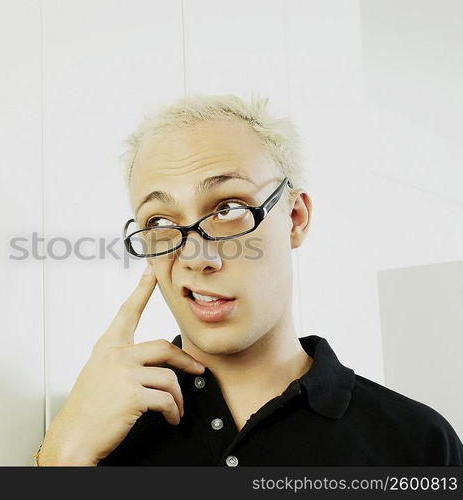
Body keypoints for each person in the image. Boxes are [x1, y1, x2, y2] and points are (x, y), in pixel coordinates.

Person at [35, 94, 463, 466]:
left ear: (294, 217)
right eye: (161, 220)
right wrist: (62, 459)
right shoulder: (98, 430)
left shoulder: (417, 443)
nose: (195, 256)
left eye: (227, 208)